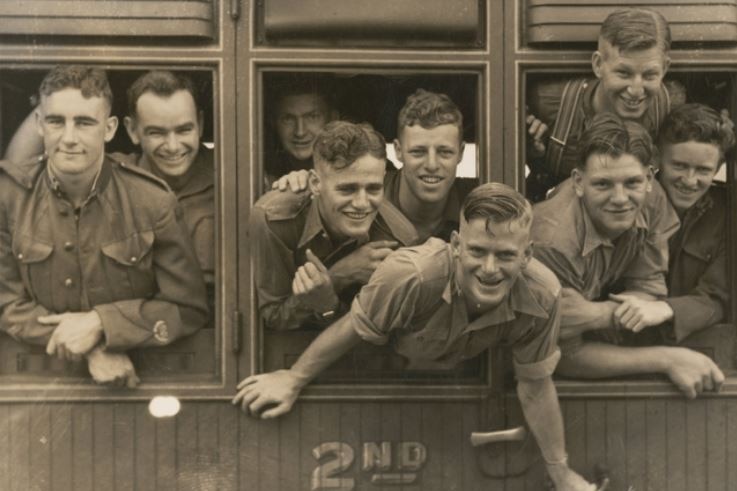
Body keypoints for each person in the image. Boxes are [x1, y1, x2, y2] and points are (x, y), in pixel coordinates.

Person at [235, 183, 597, 491]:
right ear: (455, 244)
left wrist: (560, 473)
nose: (489, 269)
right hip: (382, 377)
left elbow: (535, 384)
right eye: (477, 252)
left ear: (526, 255)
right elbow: (354, 328)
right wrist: (293, 378)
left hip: (453, 392)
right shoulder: (411, 275)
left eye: (505, 255)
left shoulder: (543, 293)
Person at [0, 65, 209, 386]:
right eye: (57, 122)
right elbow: (6, 302)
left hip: (136, 380)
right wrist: (92, 349)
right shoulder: (8, 196)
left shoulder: (152, 200)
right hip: (34, 377)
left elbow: (187, 309)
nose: (69, 138)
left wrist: (102, 323)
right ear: (41, 125)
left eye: (84, 123)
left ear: (110, 129)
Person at [531, 112, 724, 398]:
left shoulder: (653, 197)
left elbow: (647, 289)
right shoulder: (552, 243)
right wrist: (668, 359)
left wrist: (597, 314)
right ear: (578, 182)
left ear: (648, 178)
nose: (621, 199)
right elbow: (562, 354)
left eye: (632, 183)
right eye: (602, 184)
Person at [251, 120, 417, 332]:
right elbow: (274, 317)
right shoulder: (273, 219)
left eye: (374, 189)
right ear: (315, 183)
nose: (362, 203)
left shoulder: (400, 239)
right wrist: (339, 275)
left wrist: (329, 303)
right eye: (347, 189)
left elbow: (382, 336)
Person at [274, 89, 478, 242]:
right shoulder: (362, 192)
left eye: (445, 152)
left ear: (460, 153)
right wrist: (295, 186)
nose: (432, 164)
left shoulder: (478, 202)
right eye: (418, 151)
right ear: (397, 150)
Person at [607, 104, 733, 350]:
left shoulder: (727, 215)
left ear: (717, 169)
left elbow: (719, 297)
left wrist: (665, 309)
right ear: (657, 159)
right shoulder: (626, 200)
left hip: (695, 348)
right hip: (616, 342)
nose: (689, 180)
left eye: (703, 170)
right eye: (679, 166)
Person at [526, 8, 682, 201]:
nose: (636, 89)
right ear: (598, 65)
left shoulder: (673, 104)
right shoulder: (549, 102)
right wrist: (534, 153)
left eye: (649, 75)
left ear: (665, 68)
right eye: (623, 73)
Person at [117, 70, 215, 306]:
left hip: (212, 335)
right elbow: (18, 170)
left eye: (184, 130)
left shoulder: (237, 175)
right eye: (157, 133)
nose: (172, 146)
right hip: (138, 334)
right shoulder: (113, 178)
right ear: (132, 131)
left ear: (200, 124)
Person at [265, 77, 339, 186]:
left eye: (312, 117)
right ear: (273, 122)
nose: (300, 132)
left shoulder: (349, 166)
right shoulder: (261, 169)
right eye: (288, 119)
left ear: (333, 118)